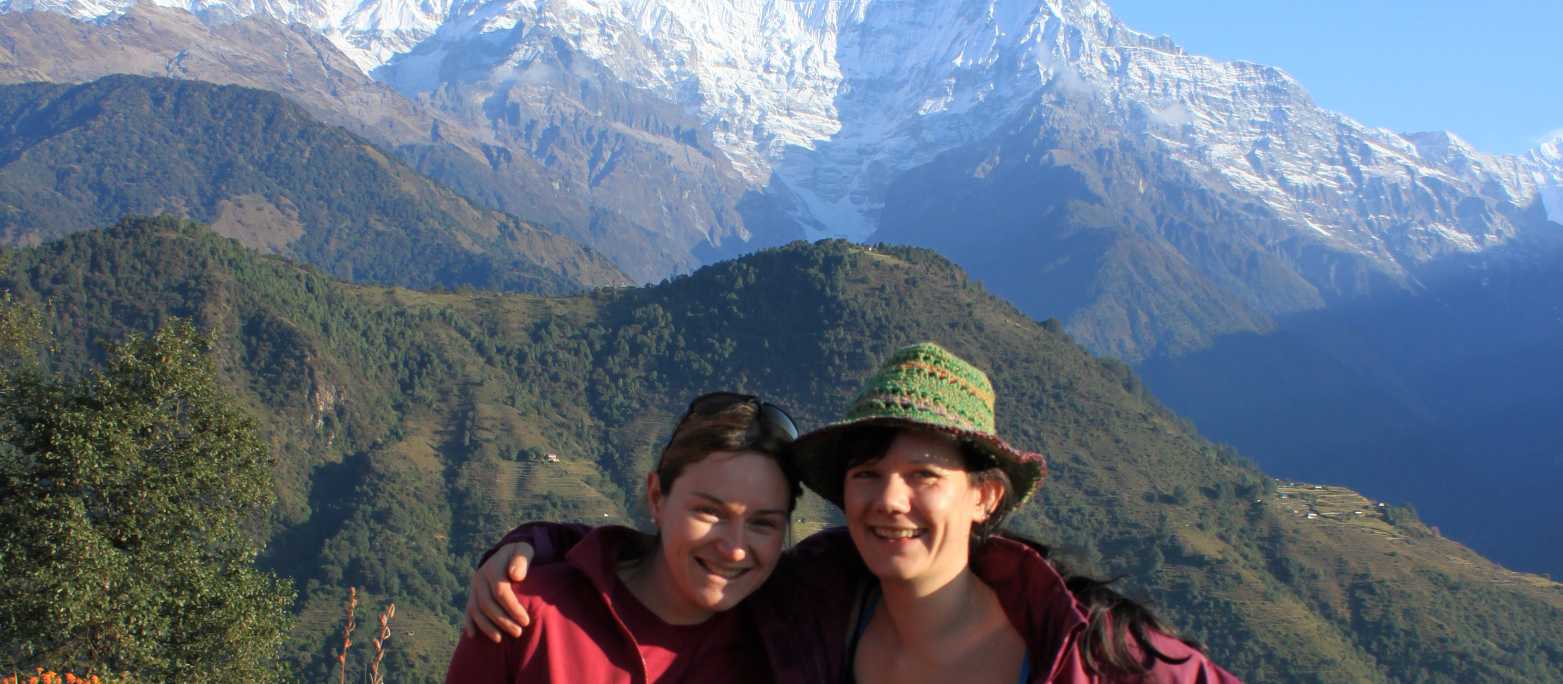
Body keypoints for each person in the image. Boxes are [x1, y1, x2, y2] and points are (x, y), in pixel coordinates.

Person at [466, 343, 1242, 683]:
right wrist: (533, 547)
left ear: (984, 495)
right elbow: (664, 564)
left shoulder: (1093, 652)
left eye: (923, 475)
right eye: (868, 474)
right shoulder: (810, 611)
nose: (889, 502)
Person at [444, 392, 808, 683]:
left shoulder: (787, 649)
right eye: (709, 512)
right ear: (656, 498)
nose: (733, 548)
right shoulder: (523, 617)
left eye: (763, 523)